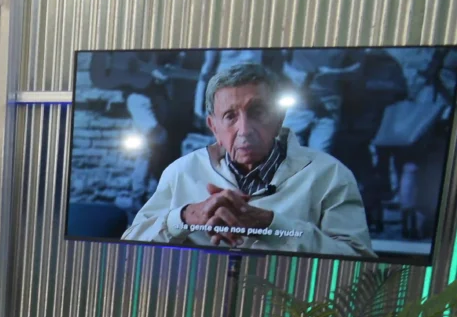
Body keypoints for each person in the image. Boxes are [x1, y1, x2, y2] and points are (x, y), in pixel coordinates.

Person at [122, 62, 375, 258]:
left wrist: (271, 225)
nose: (244, 130)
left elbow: (360, 265)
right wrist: (186, 217)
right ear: (213, 126)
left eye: (257, 112)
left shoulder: (330, 174)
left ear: (279, 118)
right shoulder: (182, 171)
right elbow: (128, 250)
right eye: (230, 116)